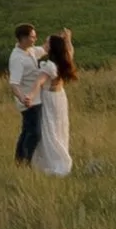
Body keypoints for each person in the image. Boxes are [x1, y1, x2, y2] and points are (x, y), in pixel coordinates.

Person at [34, 29, 76, 177]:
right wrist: (68, 39)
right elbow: (70, 50)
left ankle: (53, 161)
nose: (44, 44)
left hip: (49, 98)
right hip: (60, 97)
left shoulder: (50, 65)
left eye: (47, 42)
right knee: (60, 127)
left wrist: (30, 95)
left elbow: (40, 82)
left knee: (49, 129)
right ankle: (61, 158)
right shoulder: (64, 60)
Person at [8, 21, 45, 163]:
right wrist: (24, 98)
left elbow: (44, 48)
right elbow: (14, 83)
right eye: (32, 36)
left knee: (26, 131)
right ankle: (26, 160)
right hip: (29, 102)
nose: (35, 39)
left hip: (35, 98)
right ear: (23, 38)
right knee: (34, 133)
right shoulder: (17, 58)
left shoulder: (30, 51)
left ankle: (19, 161)